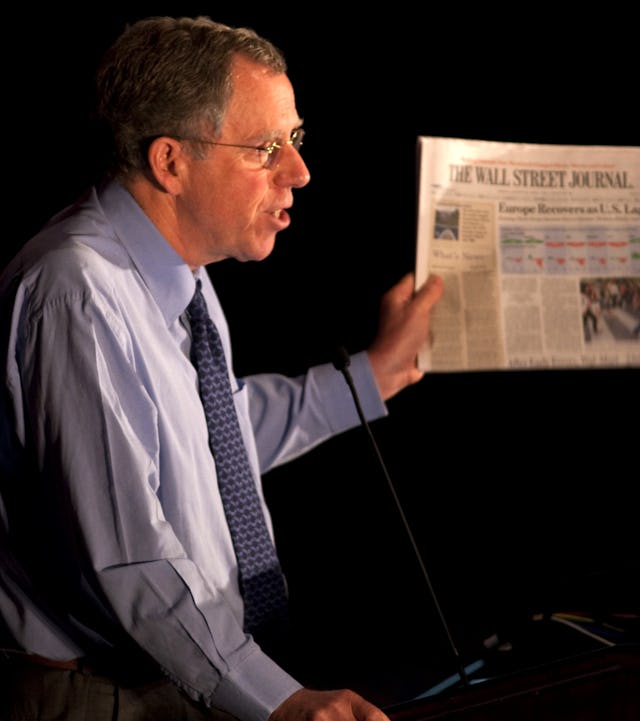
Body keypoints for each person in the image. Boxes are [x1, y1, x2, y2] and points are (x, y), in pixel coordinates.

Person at [0, 15, 443, 721]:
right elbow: (130, 557)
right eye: (266, 147)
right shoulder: (76, 290)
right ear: (171, 162)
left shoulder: (184, 274)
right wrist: (282, 701)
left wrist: (376, 374)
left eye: (294, 140)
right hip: (99, 696)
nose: (299, 172)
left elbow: (213, 441)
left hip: (177, 678)